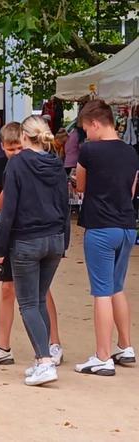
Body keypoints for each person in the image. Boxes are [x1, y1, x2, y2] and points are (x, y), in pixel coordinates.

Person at [0, 122, 64, 367]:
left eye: (18, 147)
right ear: (2, 147)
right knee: (9, 290)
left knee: (37, 295)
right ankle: (4, 347)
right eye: (10, 149)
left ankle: (49, 349)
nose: (14, 153)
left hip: (27, 237)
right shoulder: (6, 168)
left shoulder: (31, 165)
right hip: (22, 234)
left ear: (25, 141)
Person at [0, 115, 69, 386]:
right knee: (38, 300)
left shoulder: (18, 164)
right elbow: (64, 203)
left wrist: (0, 247)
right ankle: (42, 358)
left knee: (27, 304)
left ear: (24, 137)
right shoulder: (55, 162)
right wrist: (65, 242)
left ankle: (45, 361)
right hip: (55, 239)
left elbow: (8, 209)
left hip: (27, 241)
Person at [74, 99, 139, 376]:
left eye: (86, 128)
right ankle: (125, 346)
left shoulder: (89, 151)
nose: (85, 134)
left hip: (100, 227)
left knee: (100, 291)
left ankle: (102, 355)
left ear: (96, 123)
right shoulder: (132, 152)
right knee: (116, 287)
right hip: (127, 225)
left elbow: (81, 185)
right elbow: (133, 189)